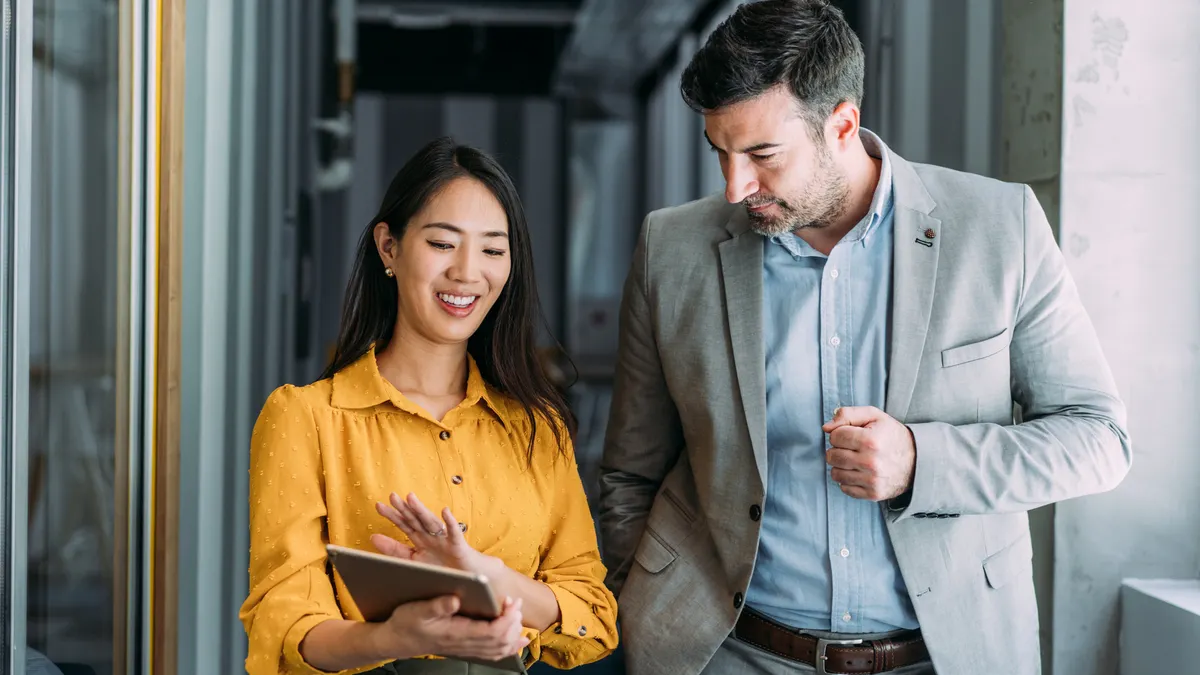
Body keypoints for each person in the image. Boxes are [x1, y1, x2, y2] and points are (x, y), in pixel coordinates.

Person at [596, 2, 1131, 674]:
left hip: (944, 656)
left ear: (842, 123)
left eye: (762, 154)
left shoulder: (1001, 229)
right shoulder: (671, 248)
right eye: (720, 153)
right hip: (730, 654)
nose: (736, 186)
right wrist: (636, 596)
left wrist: (921, 461)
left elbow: (1099, 440)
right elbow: (630, 471)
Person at [239, 137, 618, 675]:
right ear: (389, 247)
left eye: (492, 249)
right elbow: (283, 625)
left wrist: (487, 578)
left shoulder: (537, 427)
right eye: (443, 243)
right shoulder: (306, 419)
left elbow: (594, 616)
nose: (468, 273)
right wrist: (390, 638)